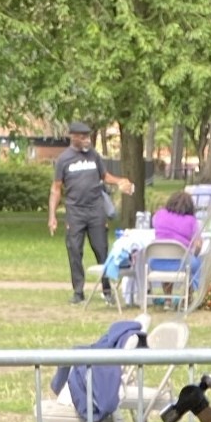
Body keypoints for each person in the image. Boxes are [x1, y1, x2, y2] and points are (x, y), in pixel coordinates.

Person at [47, 121, 132, 304]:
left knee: (102, 251)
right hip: (75, 213)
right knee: (75, 251)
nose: (87, 140)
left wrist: (119, 181)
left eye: (87, 136)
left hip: (96, 211)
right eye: (83, 137)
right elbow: (56, 188)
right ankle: (78, 292)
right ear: (73, 137)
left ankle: (107, 291)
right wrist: (52, 216)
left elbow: (105, 176)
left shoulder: (94, 156)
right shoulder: (64, 159)